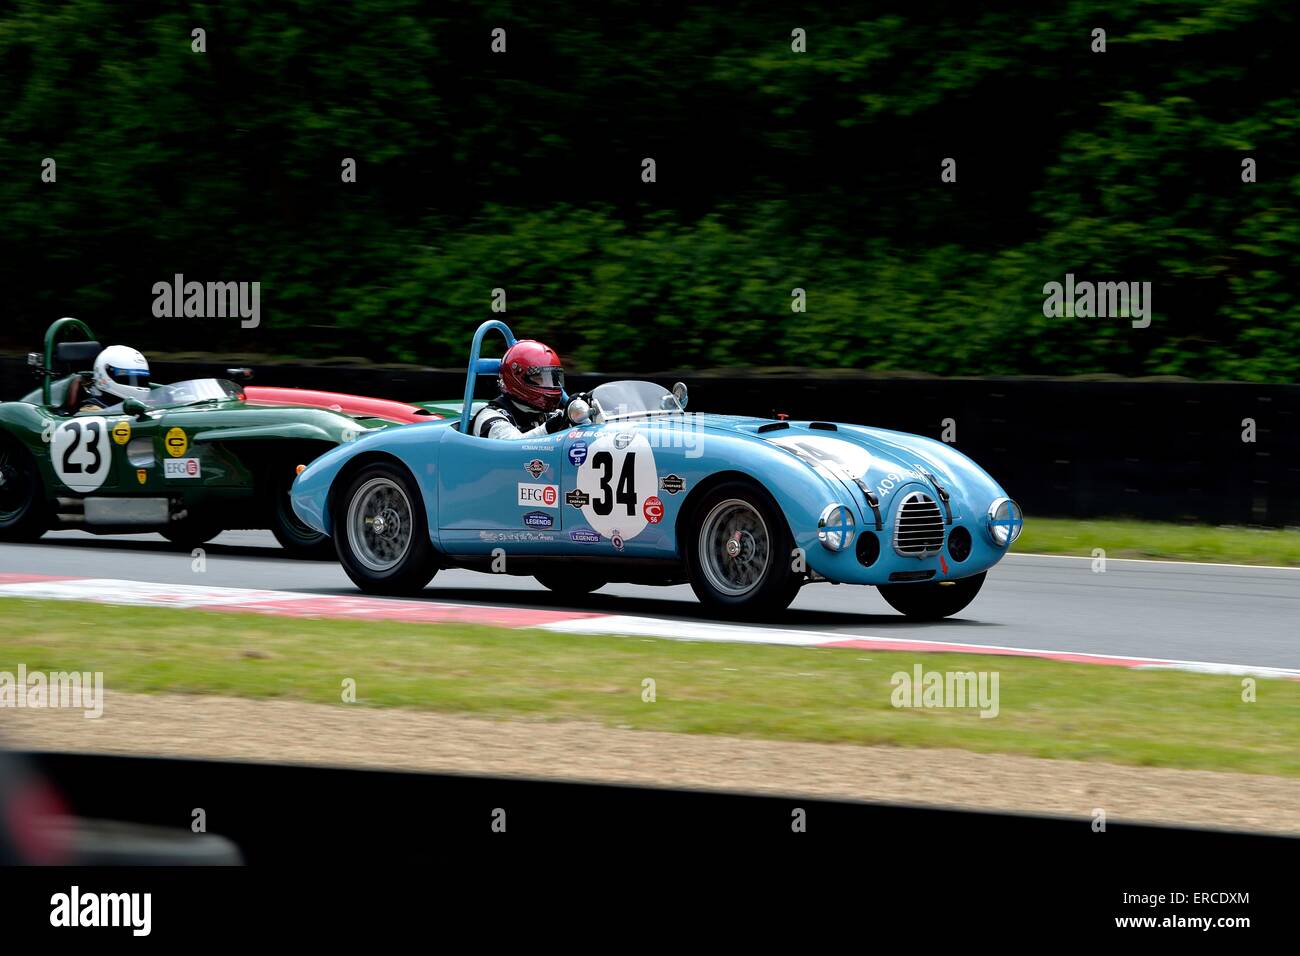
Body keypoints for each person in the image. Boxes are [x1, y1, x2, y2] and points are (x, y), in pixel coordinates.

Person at [470, 339, 589, 439]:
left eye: (552, 378)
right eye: (540, 378)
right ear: (517, 379)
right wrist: (556, 423)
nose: (549, 384)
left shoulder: (543, 415)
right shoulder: (490, 418)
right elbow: (513, 448)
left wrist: (583, 416)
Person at [67, 345, 151, 412]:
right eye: (126, 378)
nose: (137, 384)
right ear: (105, 374)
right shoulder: (91, 410)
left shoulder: (147, 405)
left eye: (141, 379)